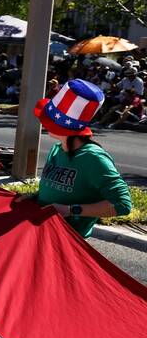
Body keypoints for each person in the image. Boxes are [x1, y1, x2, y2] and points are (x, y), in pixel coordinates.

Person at [22, 80, 133, 238]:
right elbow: (60, 190)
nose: (44, 123)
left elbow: (122, 204)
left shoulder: (93, 157)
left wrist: (70, 210)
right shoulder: (57, 148)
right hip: (40, 236)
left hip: (67, 245)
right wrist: (34, 197)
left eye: (48, 119)